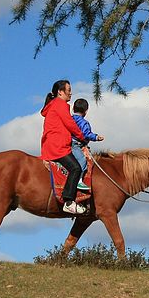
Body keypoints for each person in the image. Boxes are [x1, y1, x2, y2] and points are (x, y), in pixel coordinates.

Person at [40, 80, 88, 215]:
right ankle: (69, 201)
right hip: (58, 146)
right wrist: (82, 137)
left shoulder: (53, 105)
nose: (70, 93)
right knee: (76, 168)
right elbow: (70, 124)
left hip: (53, 144)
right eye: (68, 90)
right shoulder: (60, 105)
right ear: (60, 92)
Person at [71, 98, 104, 191]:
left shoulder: (69, 119)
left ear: (73, 109)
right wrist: (96, 137)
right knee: (82, 160)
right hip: (75, 144)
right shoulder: (83, 122)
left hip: (68, 142)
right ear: (86, 111)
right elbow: (86, 134)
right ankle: (78, 180)